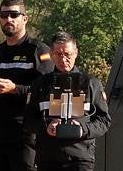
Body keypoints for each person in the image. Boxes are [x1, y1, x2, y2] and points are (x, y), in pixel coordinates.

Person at [23, 31, 111, 171]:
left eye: (67, 54)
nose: (63, 59)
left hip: (80, 158)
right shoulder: (40, 85)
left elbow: (104, 120)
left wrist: (84, 129)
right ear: (51, 54)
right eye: (58, 54)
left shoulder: (91, 84)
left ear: (76, 52)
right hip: (48, 158)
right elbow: (28, 121)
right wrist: (46, 127)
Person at [0, 0, 53, 171]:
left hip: (24, 133)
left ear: (25, 18)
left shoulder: (39, 51)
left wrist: (15, 89)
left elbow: (49, 91)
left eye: (14, 15)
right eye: (4, 15)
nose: (9, 20)